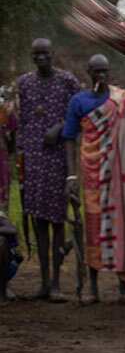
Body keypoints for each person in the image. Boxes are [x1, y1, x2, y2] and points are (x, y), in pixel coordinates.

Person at [63, 54, 125, 304]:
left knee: (120, 225)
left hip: (117, 174)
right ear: (88, 72)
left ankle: (123, 286)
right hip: (92, 174)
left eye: (104, 71)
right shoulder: (78, 101)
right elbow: (69, 138)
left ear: (109, 72)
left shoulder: (121, 99)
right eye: (96, 71)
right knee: (93, 228)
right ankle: (93, 287)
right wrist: (71, 175)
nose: (100, 76)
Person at [15, 38, 80, 301]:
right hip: (33, 159)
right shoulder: (24, 83)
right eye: (36, 54)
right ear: (32, 57)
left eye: (45, 53)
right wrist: (22, 156)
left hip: (58, 159)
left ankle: (55, 284)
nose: (41, 58)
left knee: (56, 222)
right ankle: (43, 282)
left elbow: (78, 116)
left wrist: (61, 126)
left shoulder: (68, 81)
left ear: (53, 54)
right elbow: (22, 120)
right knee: (39, 221)